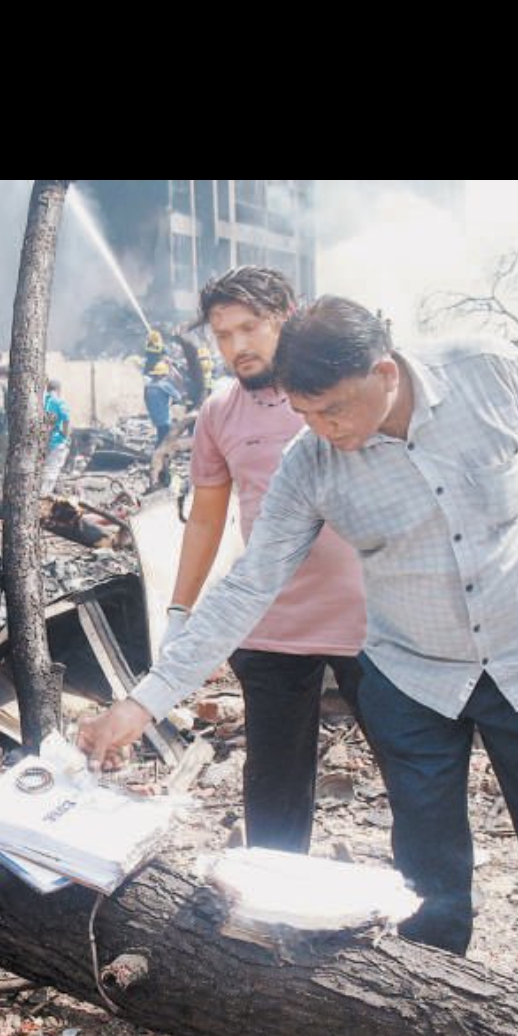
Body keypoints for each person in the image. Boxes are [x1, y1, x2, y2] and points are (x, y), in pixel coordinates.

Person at [79, 297, 518, 1003]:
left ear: (384, 372)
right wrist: (143, 702)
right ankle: (436, 1004)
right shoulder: (311, 464)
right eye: (306, 415)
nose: (324, 431)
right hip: (414, 676)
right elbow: (247, 586)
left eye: (334, 411)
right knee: (426, 867)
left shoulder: (490, 373)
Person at [164, 269, 367, 853]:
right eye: (223, 335)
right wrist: (180, 609)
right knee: (274, 791)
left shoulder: (339, 392)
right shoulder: (219, 412)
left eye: (249, 328)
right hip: (271, 625)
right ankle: (275, 921)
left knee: (414, 774)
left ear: (287, 314)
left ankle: (427, 932)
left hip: (370, 623)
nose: (236, 348)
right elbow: (205, 517)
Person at [43, 381, 72, 493]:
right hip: (56, 440)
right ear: (59, 390)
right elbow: (66, 419)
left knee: (43, 468)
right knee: (52, 469)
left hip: (41, 440)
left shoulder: (42, 401)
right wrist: (66, 435)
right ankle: (44, 495)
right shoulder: (60, 402)